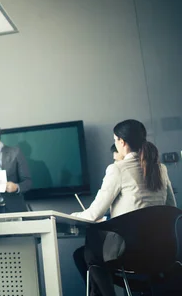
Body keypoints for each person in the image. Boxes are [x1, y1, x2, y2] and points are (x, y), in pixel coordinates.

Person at [72, 119, 177, 296]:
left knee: (89, 250)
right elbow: (172, 209)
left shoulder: (117, 169)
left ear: (121, 141)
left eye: (115, 140)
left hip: (128, 254)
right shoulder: (161, 169)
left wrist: (70, 216)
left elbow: (93, 214)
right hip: (160, 251)